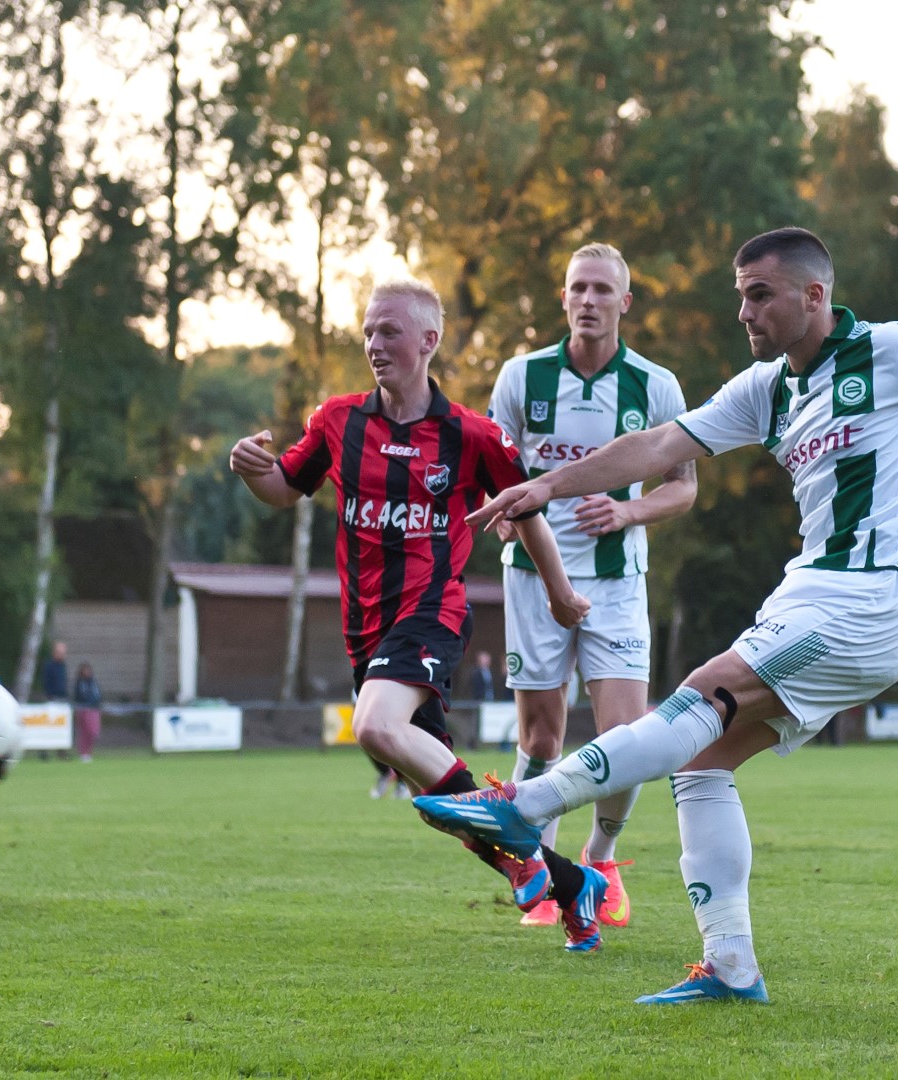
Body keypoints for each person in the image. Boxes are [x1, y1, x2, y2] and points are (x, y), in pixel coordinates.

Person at [416, 227, 898, 1003]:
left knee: (702, 692)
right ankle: (730, 967)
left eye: (758, 294)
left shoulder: (893, 349)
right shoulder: (766, 388)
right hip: (813, 592)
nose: (743, 311)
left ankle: (522, 808)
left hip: (875, 596)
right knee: (702, 766)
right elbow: (658, 444)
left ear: (814, 295)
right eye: (740, 294)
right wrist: (545, 488)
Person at [230, 278, 614, 951]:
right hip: (365, 632)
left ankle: (522, 843)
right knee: (445, 807)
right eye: (370, 331)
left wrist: (557, 593)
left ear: (428, 342)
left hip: (432, 611)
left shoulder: (471, 435)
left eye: (390, 332)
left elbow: (526, 516)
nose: (374, 344)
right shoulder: (336, 422)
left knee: (376, 728)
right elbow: (282, 490)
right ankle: (569, 882)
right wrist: (248, 468)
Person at [487, 241, 696, 929]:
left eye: (603, 290)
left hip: (617, 582)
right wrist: (508, 519)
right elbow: (499, 475)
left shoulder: (655, 387)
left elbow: (682, 488)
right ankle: (542, 873)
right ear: (563, 299)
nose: (588, 300)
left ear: (624, 303)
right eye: (578, 288)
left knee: (628, 740)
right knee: (542, 737)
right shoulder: (520, 378)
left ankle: (600, 860)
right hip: (531, 580)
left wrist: (629, 509)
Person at [73, 660, 103, 762]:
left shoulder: (93, 682)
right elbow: (79, 696)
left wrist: (95, 702)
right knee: (84, 732)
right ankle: (83, 753)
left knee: (93, 732)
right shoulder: (80, 683)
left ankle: (88, 751)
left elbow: (98, 694)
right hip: (83, 709)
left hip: (94, 709)